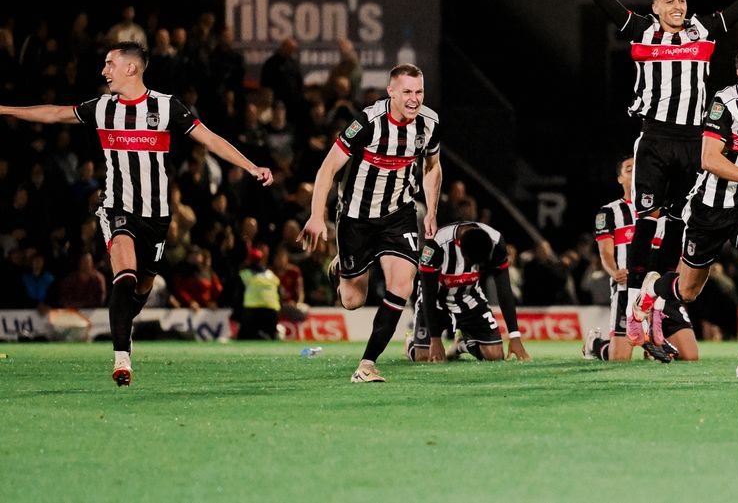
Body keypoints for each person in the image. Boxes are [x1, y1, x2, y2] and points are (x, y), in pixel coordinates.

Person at [561, 0, 738, 346]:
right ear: (655, 7)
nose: (678, 6)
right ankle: (634, 304)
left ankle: (655, 308)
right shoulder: (639, 29)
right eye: (669, 0)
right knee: (646, 219)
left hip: (695, 141)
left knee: (679, 222)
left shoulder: (702, 30)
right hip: (654, 138)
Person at [0, 40, 273, 386]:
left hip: (157, 216)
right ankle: (122, 359)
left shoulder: (167, 106)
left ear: (131, 68)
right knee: (125, 273)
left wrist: (251, 167)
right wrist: (5, 109)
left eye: (109, 64)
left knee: (141, 286)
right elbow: (54, 113)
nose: (104, 71)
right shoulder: (101, 107)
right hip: (117, 208)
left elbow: (210, 139)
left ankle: (124, 324)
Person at [631, 45, 738, 379]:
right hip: (709, 206)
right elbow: (709, 159)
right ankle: (652, 290)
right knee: (688, 291)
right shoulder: (725, 105)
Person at [300, 63, 442, 383]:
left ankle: (367, 363)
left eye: (419, 91)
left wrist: (431, 210)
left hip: (399, 214)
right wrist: (316, 215)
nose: (414, 98)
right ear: (391, 91)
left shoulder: (429, 124)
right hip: (356, 218)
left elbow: (433, 166)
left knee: (402, 285)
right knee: (353, 301)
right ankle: (345, 267)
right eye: (407, 91)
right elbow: (327, 169)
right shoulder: (367, 123)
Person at [585, 155, 698, 362]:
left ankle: (653, 341)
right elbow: (606, 252)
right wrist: (614, 272)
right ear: (619, 178)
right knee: (619, 358)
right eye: (629, 169)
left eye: (639, 168)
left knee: (690, 355)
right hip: (628, 288)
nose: (635, 172)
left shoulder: (664, 211)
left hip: (660, 289)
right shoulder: (610, 211)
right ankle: (595, 344)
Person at [407, 221, 530, 363]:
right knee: (424, 358)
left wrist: (514, 336)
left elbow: (504, 290)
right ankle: (411, 342)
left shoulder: (496, 241)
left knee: (495, 356)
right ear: (462, 251)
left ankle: (460, 345)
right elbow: (428, 295)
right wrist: (435, 339)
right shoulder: (435, 246)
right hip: (435, 301)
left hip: (469, 297)